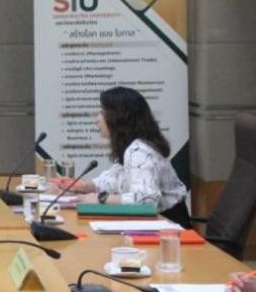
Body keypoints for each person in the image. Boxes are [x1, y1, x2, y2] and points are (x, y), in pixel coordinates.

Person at [53, 86, 191, 227]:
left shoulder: (140, 151)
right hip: (155, 221)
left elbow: (146, 200)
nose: (97, 119)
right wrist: (81, 186)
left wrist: (100, 198)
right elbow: (115, 180)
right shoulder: (132, 146)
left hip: (169, 225)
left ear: (118, 117)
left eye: (102, 112)